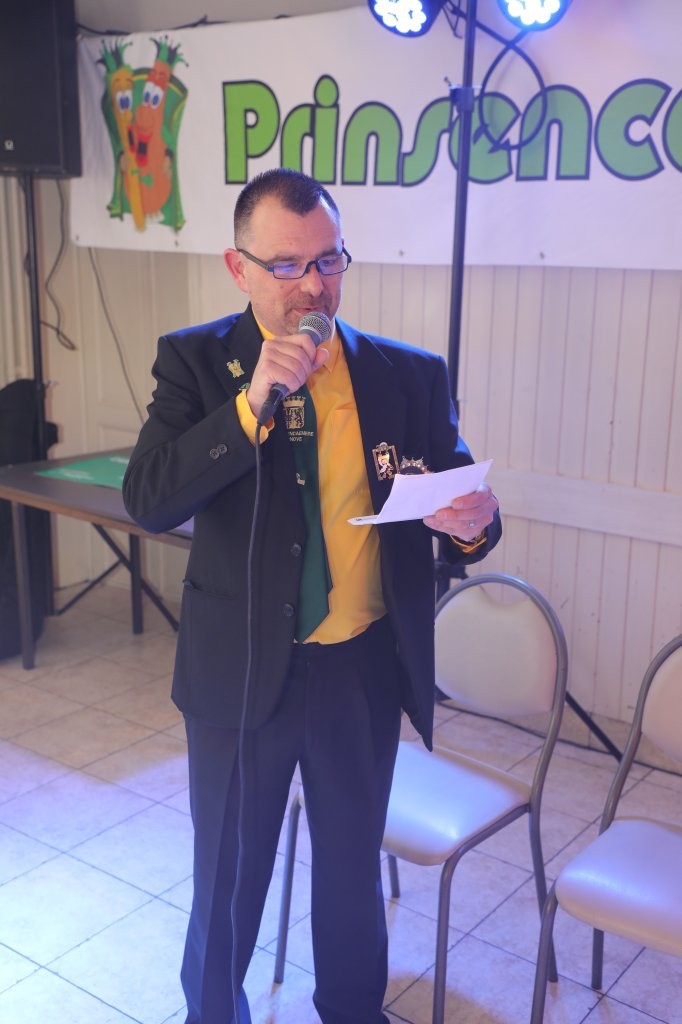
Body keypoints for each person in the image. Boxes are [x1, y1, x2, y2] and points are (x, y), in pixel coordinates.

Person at [122, 168, 501, 1024]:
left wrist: (473, 522)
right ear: (239, 267)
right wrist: (250, 404)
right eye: (287, 265)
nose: (312, 285)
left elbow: (463, 510)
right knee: (228, 879)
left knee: (350, 878)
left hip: (358, 673)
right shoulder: (195, 362)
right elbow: (149, 498)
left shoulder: (408, 375)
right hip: (238, 674)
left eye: (328, 260)